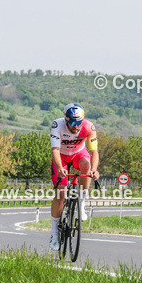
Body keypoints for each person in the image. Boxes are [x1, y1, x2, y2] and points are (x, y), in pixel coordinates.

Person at [49, 103, 99, 250]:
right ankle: (53, 232)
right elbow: (55, 150)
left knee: (87, 166)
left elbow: (94, 152)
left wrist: (94, 170)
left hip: (79, 154)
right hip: (62, 157)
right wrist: (59, 168)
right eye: (72, 122)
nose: (76, 126)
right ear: (65, 119)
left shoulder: (89, 127)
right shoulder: (57, 125)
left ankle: (81, 203)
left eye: (78, 122)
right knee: (61, 194)